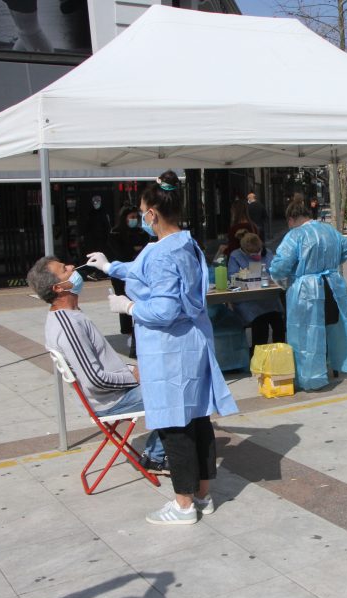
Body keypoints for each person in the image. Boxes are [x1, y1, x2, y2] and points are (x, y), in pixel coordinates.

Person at [86, 170, 238, 526]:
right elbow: (144, 270)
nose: (140, 217)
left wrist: (129, 307)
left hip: (169, 350)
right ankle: (203, 495)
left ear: (151, 213)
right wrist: (111, 266)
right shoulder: (184, 243)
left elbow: (165, 307)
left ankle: (183, 505)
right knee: (197, 418)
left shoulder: (161, 253)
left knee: (174, 425)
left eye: (141, 210)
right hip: (191, 345)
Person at [25, 256, 169, 476]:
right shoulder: (68, 326)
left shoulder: (71, 315)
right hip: (110, 400)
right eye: (65, 270)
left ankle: (160, 451)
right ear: (59, 287)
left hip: (114, 392)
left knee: (172, 376)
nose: (72, 267)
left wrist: (135, 371)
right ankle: (156, 455)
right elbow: (95, 380)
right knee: (178, 390)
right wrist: (135, 377)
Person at [269, 194, 347, 391]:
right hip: (332, 286)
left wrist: (290, 275)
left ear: (291, 219)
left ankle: (310, 378)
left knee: (305, 334)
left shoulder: (295, 235)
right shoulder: (331, 231)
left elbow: (279, 266)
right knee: (328, 329)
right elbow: (345, 251)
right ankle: (331, 366)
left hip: (306, 290)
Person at [228, 232, 285, 351]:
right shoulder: (235, 256)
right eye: (252, 254)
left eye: (258, 251)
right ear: (244, 250)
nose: (256, 255)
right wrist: (246, 275)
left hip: (268, 298)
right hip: (248, 300)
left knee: (279, 323)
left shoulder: (267, 253)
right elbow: (231, 277)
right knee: (260, 323)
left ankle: (280, 353)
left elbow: (276, 271)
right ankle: (258, 355)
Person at [108, 205, 152, 355]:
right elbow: (121, 254)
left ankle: (137, 333)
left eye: (135, 217)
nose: (133, 220)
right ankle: (128, 333)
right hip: (121, 275)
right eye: (131, 217)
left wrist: (135, 250)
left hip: (139, 273)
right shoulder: (116, 233)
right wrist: (133, 250)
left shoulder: (141, 232)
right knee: (124, 301)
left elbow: (145, 249)